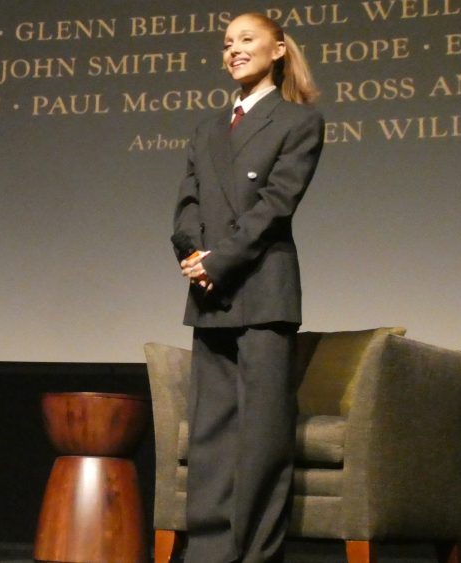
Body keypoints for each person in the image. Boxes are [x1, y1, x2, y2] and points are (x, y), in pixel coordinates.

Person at [172, 12, 325, 563]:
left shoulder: (298, 121)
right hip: (210, 293)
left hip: (262, 291)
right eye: (227, 43)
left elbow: (277, 204)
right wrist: (193, 254)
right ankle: (208, 553)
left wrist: (222, 259)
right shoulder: (208, 128)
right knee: (210, 435)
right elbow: (187, 201)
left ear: (278, 49)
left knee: (261, 436)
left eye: (246, 39)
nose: (234, 50)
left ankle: (256, 554)